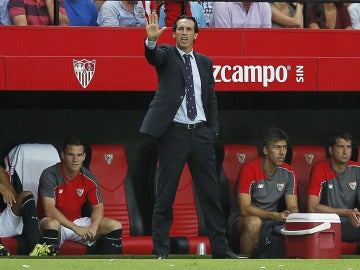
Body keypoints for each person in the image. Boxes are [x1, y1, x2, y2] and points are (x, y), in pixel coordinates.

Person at [140, 12, 240, 259]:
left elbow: (211, 99)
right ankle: (161, 251)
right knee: (165, 196)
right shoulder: (166, 55)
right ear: (173, 34)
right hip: (174, 134)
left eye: (188, 29)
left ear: (196, 34)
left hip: (201, 135)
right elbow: (153, 57)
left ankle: (221, 249)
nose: (184, 33)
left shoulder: (205, 62)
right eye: (180, 29)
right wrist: (151, 42)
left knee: (211, 196)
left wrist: (212, 131)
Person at [37, 137, 123, 255]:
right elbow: (49, 210)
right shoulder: (50, 174)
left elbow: (98, 207)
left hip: (77, 222)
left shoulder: (89, 177)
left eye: (79, 155)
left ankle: (110, 265)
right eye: (71, 155)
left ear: (84, 156)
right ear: (62, 155)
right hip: (53, 223)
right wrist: (76, 228)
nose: (75, 159)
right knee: (52, 224)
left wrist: (94, 226)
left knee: (114, 225)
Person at [229, 127, 298, 257]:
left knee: (298, 222)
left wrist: (292, 215)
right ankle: (246, 264)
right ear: (266, 150)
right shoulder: (249, 170)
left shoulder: (289, 172)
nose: (282, 152)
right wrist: (275, 216)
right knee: (254, 222)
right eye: (277, 147)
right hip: (240, 222)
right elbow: (244, 209)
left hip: (271, 222)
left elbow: (293, 206)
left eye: (285, 147)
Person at [308, 130, 360, 244]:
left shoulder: (357, 169)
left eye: (348, 147)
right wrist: (346, 212)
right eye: (341, 147)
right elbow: (312, 208)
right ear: (331, 150)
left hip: (349, 222)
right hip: (326, 223)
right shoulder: (320, 169)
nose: (345, 151)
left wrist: (355, 214)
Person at [0, 165, 56, 256]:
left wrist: (2, 184)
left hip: (2, 223)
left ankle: (35, 248)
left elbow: (13, 197)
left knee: (25, 195)